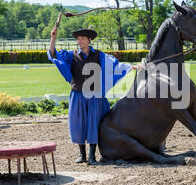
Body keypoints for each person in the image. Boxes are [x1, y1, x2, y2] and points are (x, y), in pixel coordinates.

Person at [47, 14, 141, 165]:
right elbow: (53, 55)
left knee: (93, 124)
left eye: (82, 39)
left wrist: (132, 67)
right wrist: (53, 38)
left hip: (95, 96)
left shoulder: (99, 55)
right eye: (78, 39)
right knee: (78, 123)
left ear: (89, 40)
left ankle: (92, 156)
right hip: (77, 94)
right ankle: (82, 155)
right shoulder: (72, 55)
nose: (79, 41)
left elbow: (114, 66)